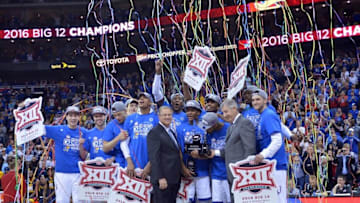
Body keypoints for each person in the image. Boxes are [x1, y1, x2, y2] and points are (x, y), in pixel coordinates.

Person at [208, 98, 256, 202]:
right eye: (223, 113)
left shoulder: (244, 123)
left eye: (226, 112)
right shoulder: (231, 127)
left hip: (243, 176)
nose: (224, 115)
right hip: (233, 175)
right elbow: (229, 150)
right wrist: (214, 153)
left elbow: (250, 150)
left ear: (234, 109)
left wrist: (246, 173)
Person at [44, 106, 87, 203]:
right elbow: (39, 129)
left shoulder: (84, 132)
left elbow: (83, 156)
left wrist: (81, 145)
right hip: (61, 173)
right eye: (70, 115)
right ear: (66, 117)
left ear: (79, 117)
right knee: (62, 200)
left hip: (79, 173)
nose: (73, 118)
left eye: (75, 115)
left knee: (80, 201)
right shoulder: (58, 130)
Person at [251, 89, 288, 203]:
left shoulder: (268, 115)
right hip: (269, 164)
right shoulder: (263, 115)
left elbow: (277, 140)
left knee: (279, 199)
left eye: (258, 99)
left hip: (276, 164)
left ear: (265, 100)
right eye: (253, 100)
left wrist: (262, 155)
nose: (255, 102)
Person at [147, 106, 190, 203]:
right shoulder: (154, 133)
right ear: (159, 116)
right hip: (163, 179)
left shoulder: (171, 131)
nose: (167, 117)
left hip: (173, 178)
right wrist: (160, 177)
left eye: (169, 115)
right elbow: (154, 157)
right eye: (164, 115)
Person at [177, 100, 211, 202]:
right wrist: (183, 168)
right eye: (187, 110)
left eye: (192, 110)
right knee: (186, 199)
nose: (189, 113)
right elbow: (179, 149)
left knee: (204, 199)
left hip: (203, 169)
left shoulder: (206, 127)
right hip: (187, 170)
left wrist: (201, 152)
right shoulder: (180, 128)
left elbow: (210, 146)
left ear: (199, 112)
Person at [123, 92, 159, 178]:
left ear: (150, 102)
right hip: (132, 167)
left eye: (144, 98)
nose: (141, 99)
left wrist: (150, 165)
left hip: (151, 167)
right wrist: (129, 161)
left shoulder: (156, 118)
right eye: (140, 98)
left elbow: (160, 145)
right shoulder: (130, 119)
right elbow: (124, 143)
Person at [198, 112, 231, 203]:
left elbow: (234, 151)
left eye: (208, 128)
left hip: (229, 173)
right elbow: (205, 149)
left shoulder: (229, 129)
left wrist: (215, 153)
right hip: (215, 172)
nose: (206, 130)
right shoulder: (208, 134)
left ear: (215, 125)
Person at [102, 102, 134, 175]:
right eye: (115, 115)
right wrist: (117, 138)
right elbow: (105, 148)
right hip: (120, 163)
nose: (117, 118)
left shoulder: (133, 121)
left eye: (119, 114)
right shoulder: (111, 125)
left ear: (125, 111)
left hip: (136, 159)